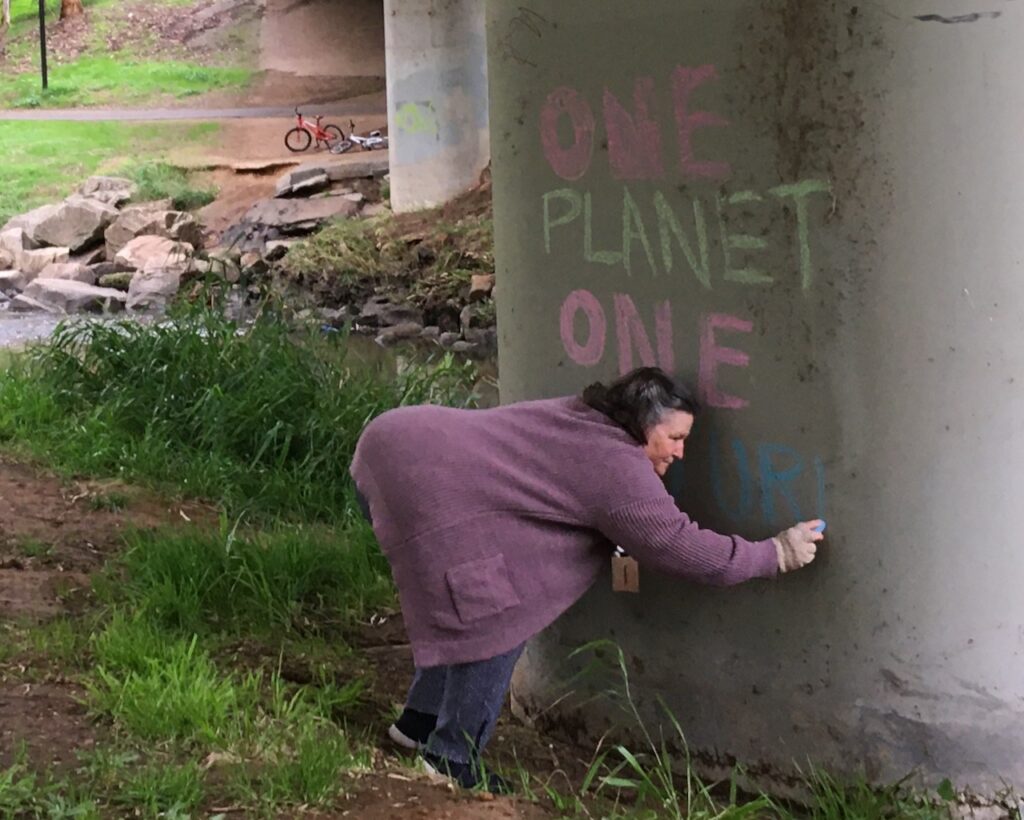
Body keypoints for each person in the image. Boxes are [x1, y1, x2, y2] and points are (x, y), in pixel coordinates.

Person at [349, 367, 824, 792]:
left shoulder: (582, 416)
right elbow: (686, 550)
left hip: (393, 441)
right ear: (643, 424)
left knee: (461, 596)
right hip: (419, 475)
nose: (681, 453)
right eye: (676, 438)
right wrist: (775, 553)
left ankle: (415, 726)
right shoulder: (618, 467)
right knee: (492, 616)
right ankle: (450, 758)